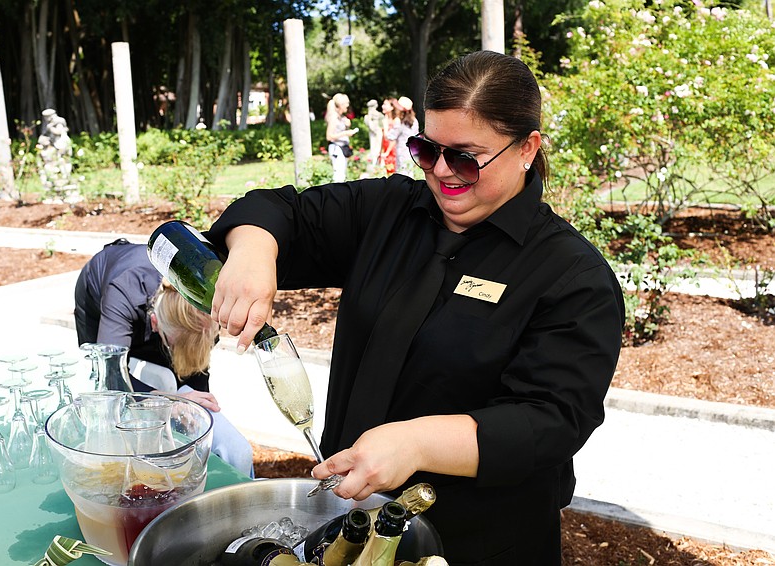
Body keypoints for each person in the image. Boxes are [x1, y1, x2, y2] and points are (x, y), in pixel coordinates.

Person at [204, 51, 624, 564]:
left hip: (478, 541)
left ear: (527, 149)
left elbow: (552, 420)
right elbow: (280, 210)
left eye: (466, 157)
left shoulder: (571, 276)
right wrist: (253, 251)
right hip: (351, 524)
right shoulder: (388, 211)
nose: (443, 172)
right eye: (427, 149)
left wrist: (418, 443)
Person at [73, 240, 254, 477]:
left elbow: (197, 374)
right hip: (98, 291)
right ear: (156, 325)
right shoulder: (123, 292)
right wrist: (165, 401)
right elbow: (112, 379)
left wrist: (197, 413)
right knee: (107, 387)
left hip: (170, 320)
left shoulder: (204, 309)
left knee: (184, 387)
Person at [325, 93, 358, 182]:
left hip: (342, 148)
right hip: (337, 148)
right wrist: (345, 133)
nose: (347, 106)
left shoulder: (341, 117)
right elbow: (329, 136)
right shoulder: (334, 117)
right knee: (338, 176)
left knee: (342, 174)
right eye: (346, 104)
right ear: (340, 105)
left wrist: (347, 126)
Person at [388, 96, 420, 177]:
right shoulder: (414, 121)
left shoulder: (400, 122)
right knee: (410, 174)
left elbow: (390, 136)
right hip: (412, 152)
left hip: (402, 151)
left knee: (401, 174)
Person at [379, 98, 398, 175]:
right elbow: (383, 138)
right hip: (386, 149)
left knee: (393, 172)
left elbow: (390, 137)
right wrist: (380, 151)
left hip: (393, 150)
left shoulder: (396, 120)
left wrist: (387, 152)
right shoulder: (385, 119)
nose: (383, 106)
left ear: (392, 107)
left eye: (385, 104)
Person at [363, 99, 384, 170]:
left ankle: (377, 163)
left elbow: (382, 125)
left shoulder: (379, 115)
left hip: (378, 131)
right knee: (373, 147)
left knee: (378, 147)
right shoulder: (369, 116)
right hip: (373, 132)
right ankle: (374, 163)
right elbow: (368, 123)